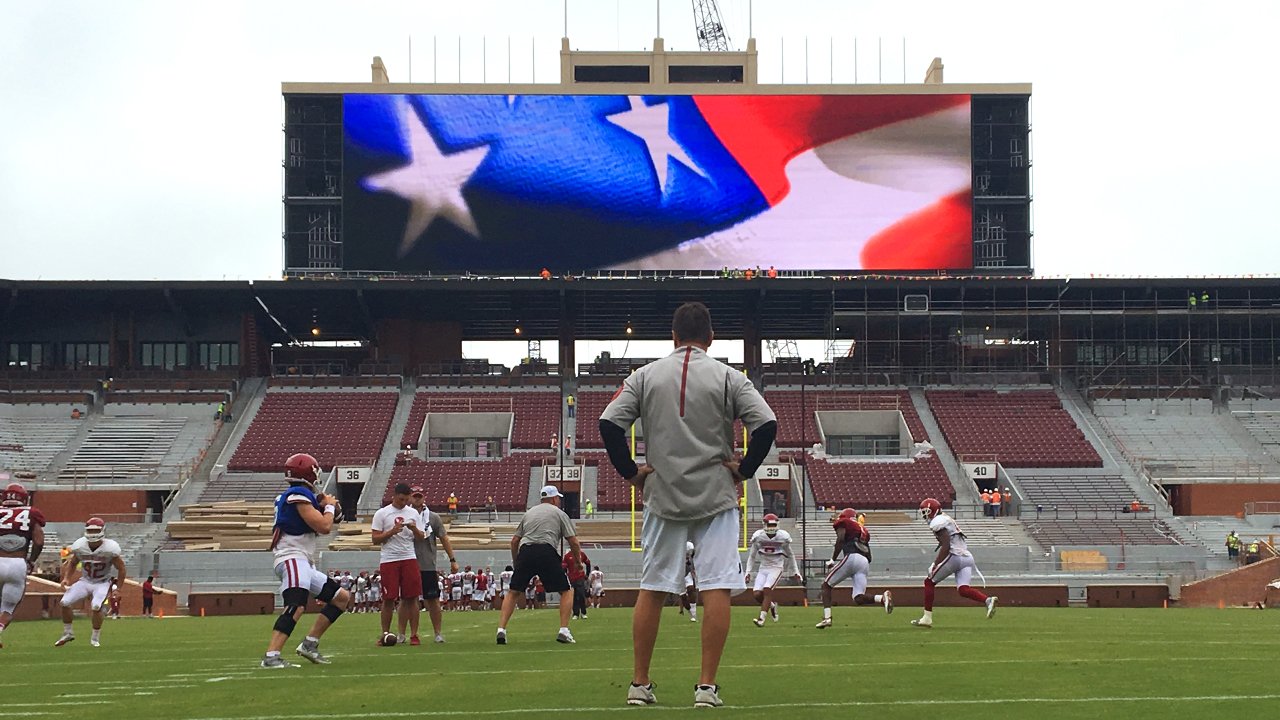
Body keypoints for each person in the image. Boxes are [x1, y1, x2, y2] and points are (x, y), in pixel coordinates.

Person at [600, 301, 778, 708]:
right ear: (711, 337)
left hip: (662, 494)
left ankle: (640, 684)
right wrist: (744, 469)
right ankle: (705, 687)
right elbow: (766, 424)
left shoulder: (643, 377)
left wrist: (630, 472)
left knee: (653, 587)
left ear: (673, 336)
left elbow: (609, 424)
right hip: (716, 495)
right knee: (716, 586)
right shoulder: (730, 377)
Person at [260, 453, 350, 667]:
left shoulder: (293, 496)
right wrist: (328, 507)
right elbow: (324, 526)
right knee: (296, 605)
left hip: (302, 561)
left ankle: (309, 644)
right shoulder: (298, 493)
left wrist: (330, 509)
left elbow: (330, 519)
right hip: (292, 557)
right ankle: (271, 656)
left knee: (341, 598)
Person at [496, 485, 584, 645]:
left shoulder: (529, 513)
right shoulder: (559, 513)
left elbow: (514, 541)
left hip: (526, 550)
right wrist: (578, 562)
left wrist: (517, 562)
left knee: (513, 591)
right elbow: (573, 541)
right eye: (557, 498)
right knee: (566, 590)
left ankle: (501, 629)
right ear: (553, 499)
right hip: (546, 550)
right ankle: (564, 630)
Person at [911, 498, 997, 629]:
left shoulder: (937, 522)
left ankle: (927, 618)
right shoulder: (945, 518)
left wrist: (935, 563)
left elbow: (946, 545)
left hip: (955, 556)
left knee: (929, 582)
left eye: (926, 512)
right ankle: (987, 600)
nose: (925, 515)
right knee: (963, 590)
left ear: (933, 511)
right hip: (967, 557)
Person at [56, 517, 126, 648]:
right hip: (85, 581)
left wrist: (119, 588)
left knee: (96, 606)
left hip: (102, 582)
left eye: (96, 531)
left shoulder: (110, 548)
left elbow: (121, 569)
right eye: (91, 530)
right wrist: (66, 578)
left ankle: (95, 638)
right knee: (64, 603)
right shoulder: (80, 546)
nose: (93, 534)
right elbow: (73, 563)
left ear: (102, 531)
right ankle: (68, 633)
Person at [816, 508, 891, 629]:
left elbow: (840, 539)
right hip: (864, 562)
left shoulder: (844, 522)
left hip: (852, 557)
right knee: (858, 598)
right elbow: (869, 556)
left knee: (826, 585)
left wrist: (832, 559)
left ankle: (827, 618)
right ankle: (882, 598)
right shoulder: (863, 530)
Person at [371, 482, 425, 645]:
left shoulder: (413, 513)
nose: (404, 503)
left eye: (406, 500)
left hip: (408, 557)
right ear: (394, 496)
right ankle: (385, 634)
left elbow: (421, 537)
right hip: (389, 559)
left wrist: (414, 529)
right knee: (389, 598)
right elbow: (375, 539)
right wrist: (392, 531)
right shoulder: (382, 514)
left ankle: (414, 634)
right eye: (401, 499)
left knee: (412, 597)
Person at [0, 482, 45, 648]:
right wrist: (31, 561)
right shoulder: (31, 513)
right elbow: (39, 541)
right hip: (17, 563)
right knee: (8, 607)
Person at [410, 486, 457, 644]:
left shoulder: (433, 517)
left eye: (419, 496)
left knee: (433, 599)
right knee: (409, 600)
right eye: (414, 496)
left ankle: (437, 632)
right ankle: (411, 633)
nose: (417, 499)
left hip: (428, 563)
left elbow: (444, 538)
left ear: (424, 498)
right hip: (409, 562)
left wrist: (452, 559)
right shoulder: (404, 516)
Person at [745, 514, 801, 627]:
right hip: (763, 567)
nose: (771, 528)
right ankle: (771, 606)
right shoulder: (758, 537)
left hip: (776, 567)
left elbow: (791, 555)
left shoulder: (783, 537)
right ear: (764, 525)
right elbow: (752, 556)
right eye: (769, 525)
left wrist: (796, 571)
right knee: (756, 594)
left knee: (767, 589)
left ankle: (761, 619)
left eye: (773, 525)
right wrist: (748, 572)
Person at [563, 547, 592, 619]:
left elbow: (588, 563)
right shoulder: (567, 556)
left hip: (580, 578)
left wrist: (587, 574)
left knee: (581, 595)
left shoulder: (581, 554)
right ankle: (575, 613)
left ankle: (583, 612)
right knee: (574, 596)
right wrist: (566, 576)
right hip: (571, 579)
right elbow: (564, 567)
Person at [678, 541, 698, 622]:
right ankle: (690, 612)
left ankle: (694, 614)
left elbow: (692, 560)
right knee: (683, 597)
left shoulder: (690, 553)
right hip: (678, 576)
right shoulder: (677, 554)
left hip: (687, 574)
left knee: (691, 589)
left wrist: (693, 570)